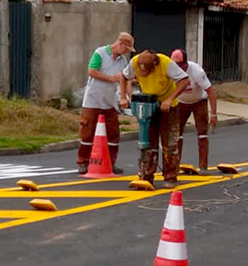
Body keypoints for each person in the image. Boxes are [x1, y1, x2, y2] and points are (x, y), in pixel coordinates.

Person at [120, 49, 190, 187]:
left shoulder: (165, 63)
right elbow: (123, 77)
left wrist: (170, 99)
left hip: (167, 106)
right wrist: (123, 97)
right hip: (148, 103)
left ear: (154, 66)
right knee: (147, 141)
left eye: (146, 71)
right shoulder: (134, 62)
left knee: (169, 143)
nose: (143, 73)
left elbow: (184, 80)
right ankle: (146, 175)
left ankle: (170, 177)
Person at [78, 31, 135, 174]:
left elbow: (125, 80)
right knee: (87, 131)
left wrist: (129, 96)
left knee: (113, 132)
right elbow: (92, 71)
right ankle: (83, 162)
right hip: (93, 99)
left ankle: (110, 161)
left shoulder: (122, 61)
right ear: (120, 44)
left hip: (110, 101)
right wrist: (111, 79)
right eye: (126, 49)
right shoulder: (100, 53)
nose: (126, 52)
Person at [170, 49, 217, 171]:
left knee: (202, 134)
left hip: (198, 102)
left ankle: (203, 166)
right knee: (177, 134)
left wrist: (214, 114)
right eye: (175, 65)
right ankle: (174, 166)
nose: (177, 68)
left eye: (179, 65)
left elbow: (210, 91)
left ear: (185, 63)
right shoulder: (170, 71)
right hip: (181, 103)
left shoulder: (196, 71)